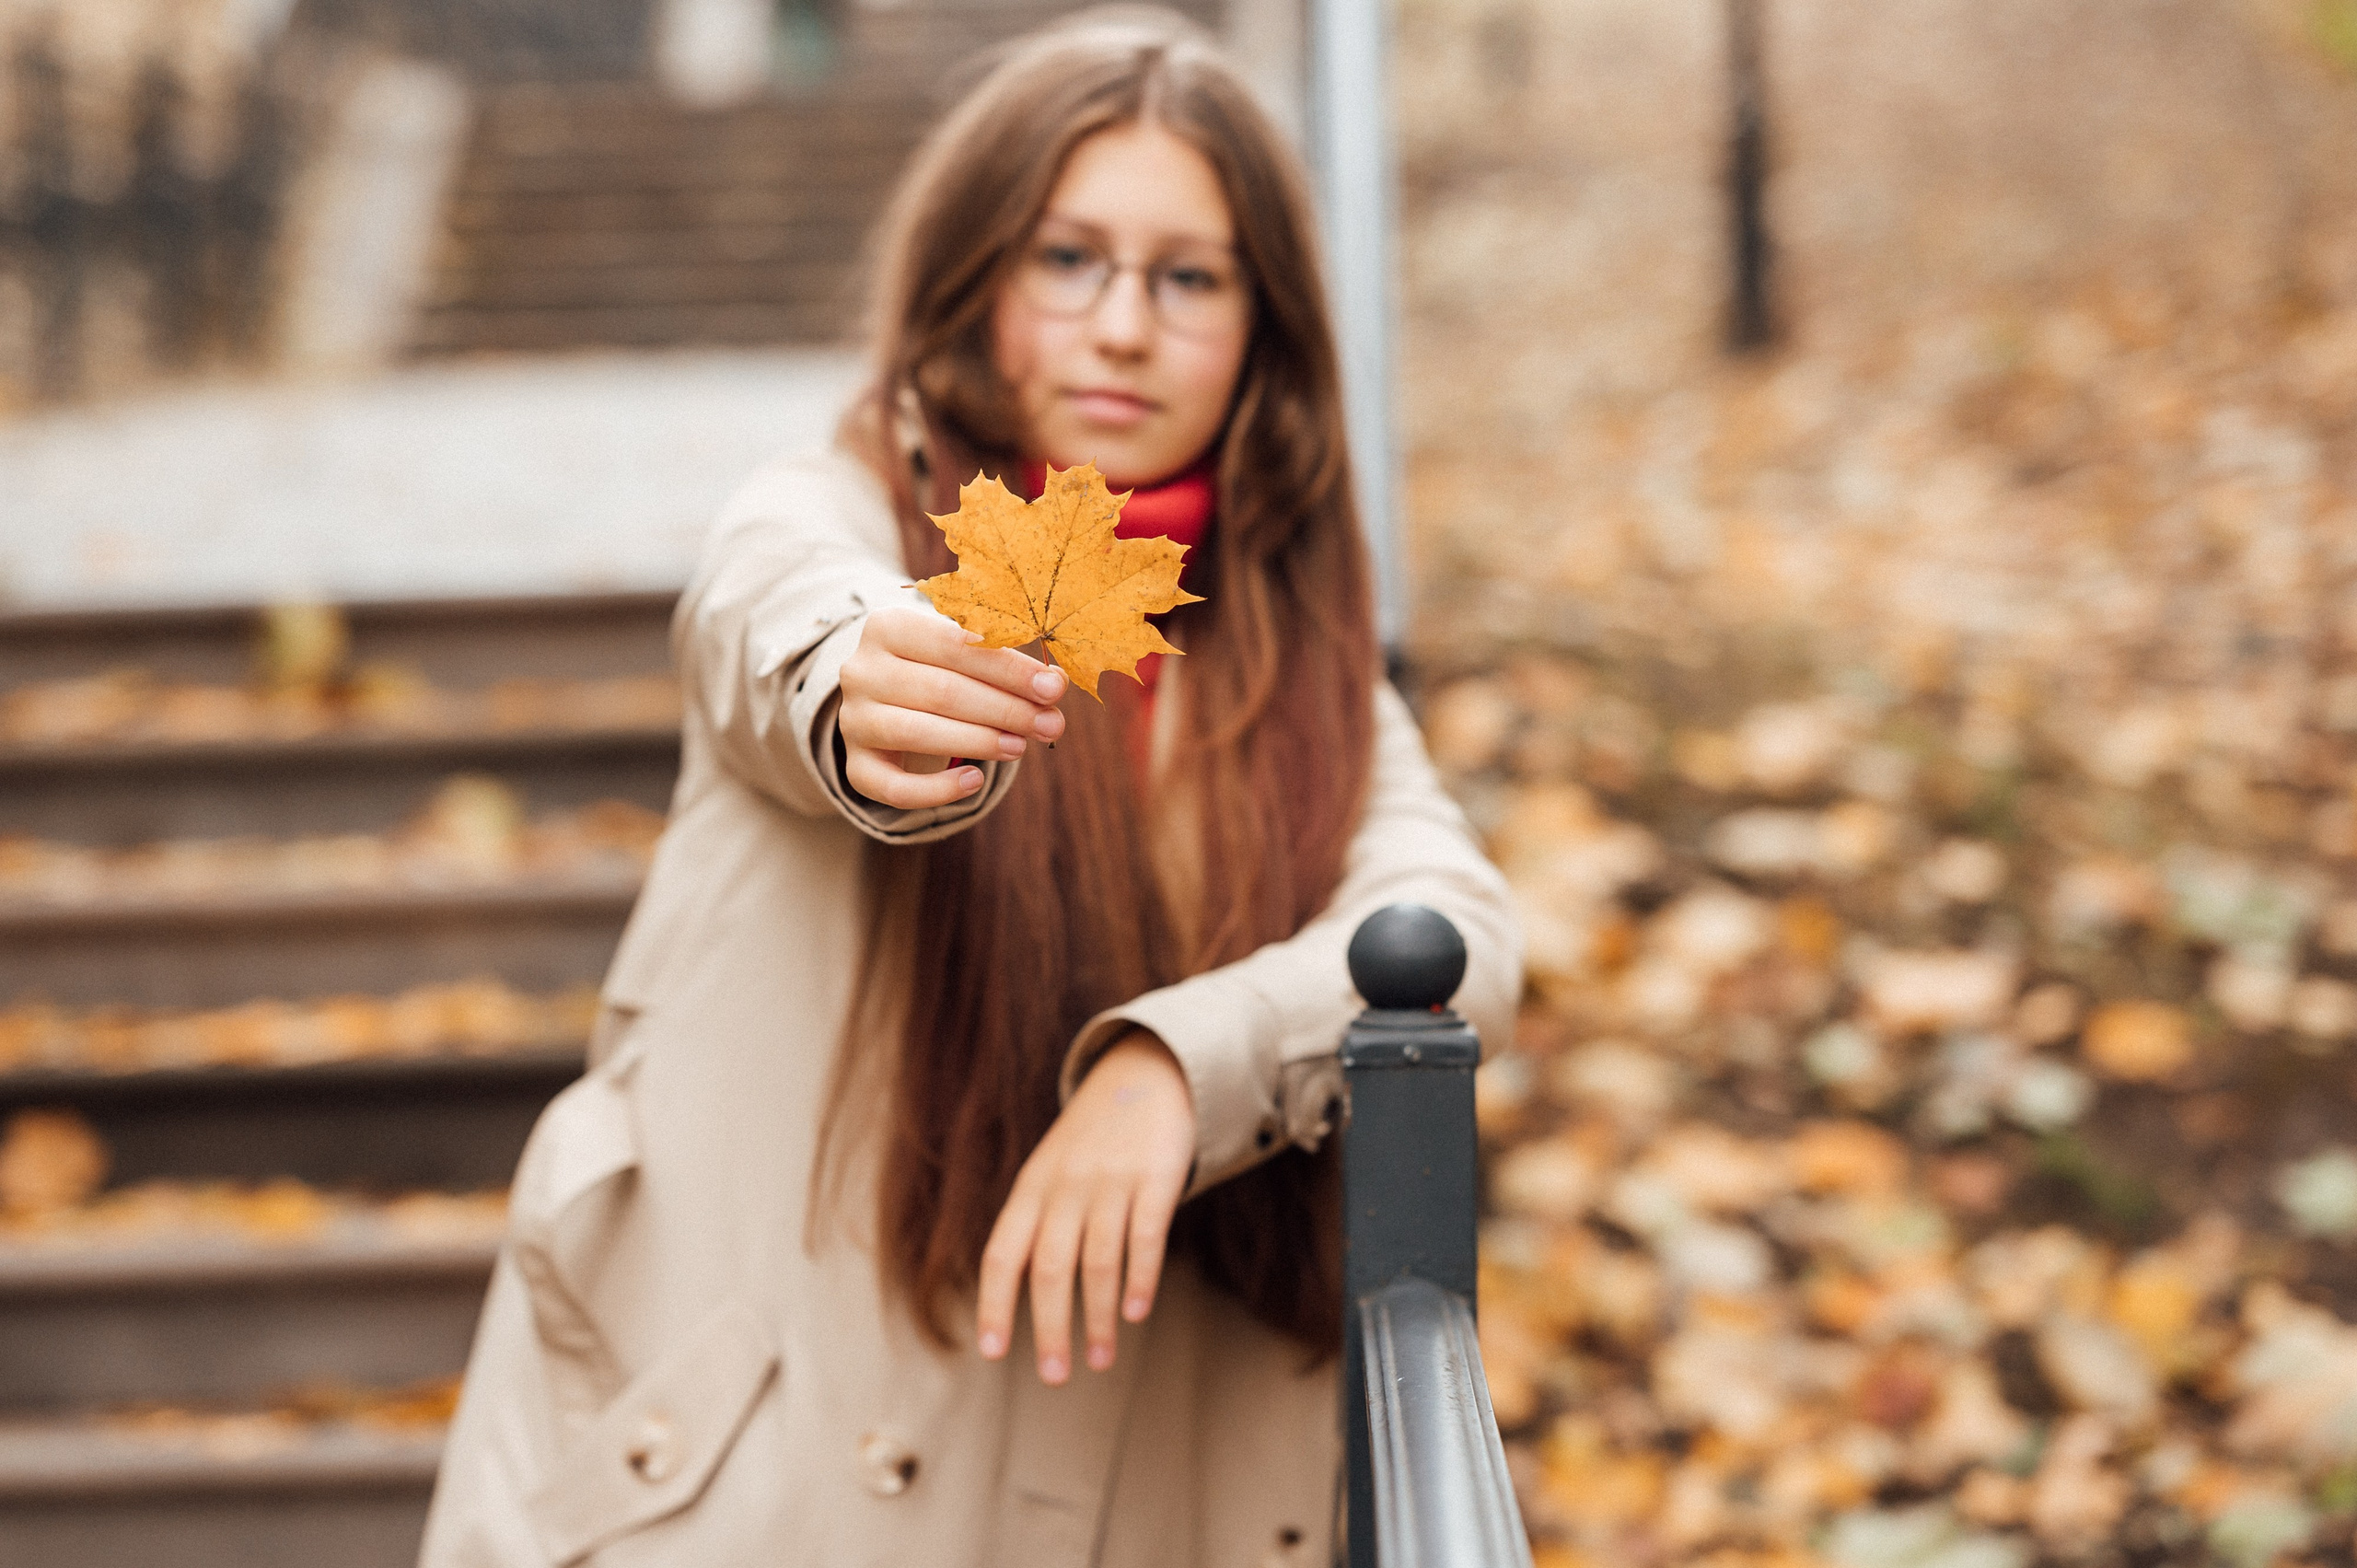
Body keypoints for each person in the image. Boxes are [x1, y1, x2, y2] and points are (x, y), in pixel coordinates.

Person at [420, 11, 1519, 1567]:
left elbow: (1456, 924)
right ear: (976, 281)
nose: (1123, 325)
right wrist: (869, 680)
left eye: (1190, 277)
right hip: (752, 1496)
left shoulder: (1294, 663)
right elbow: (771, 609)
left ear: (1265, 331)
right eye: (1068, 258)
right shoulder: (841, 512)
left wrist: (1177, 1072)